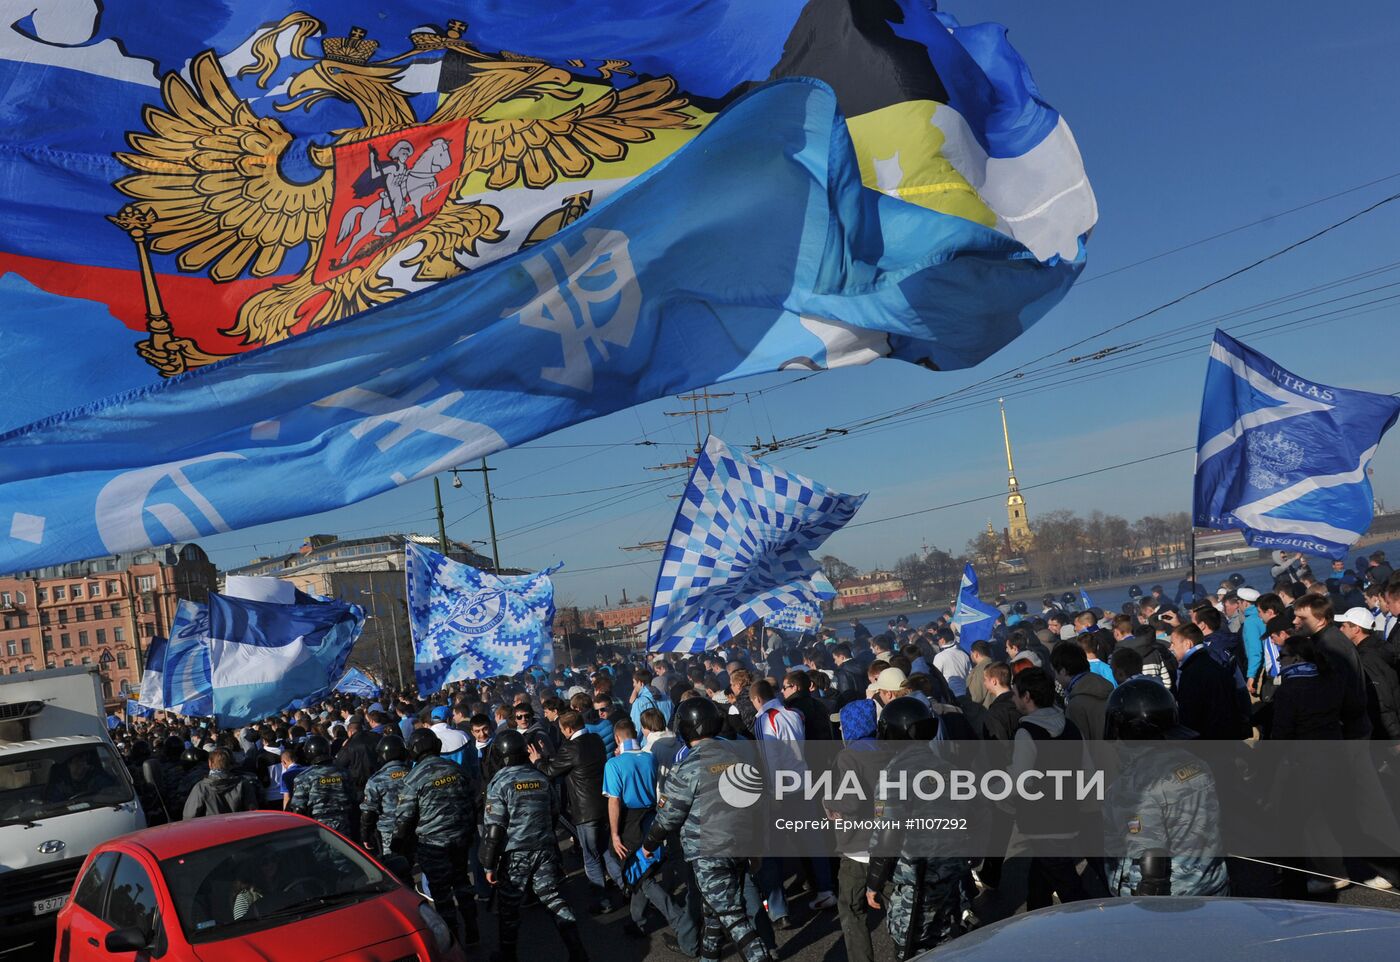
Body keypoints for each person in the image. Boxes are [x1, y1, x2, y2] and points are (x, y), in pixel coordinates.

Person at [641, 699, 775, 962]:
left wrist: (649, 844)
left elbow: (669, 816)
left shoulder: (688, 766)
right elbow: (758, 807)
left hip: (708, 852)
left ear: (685, 728)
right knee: (713, 917)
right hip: (740, 847)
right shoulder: (737, 758)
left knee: (734, 919)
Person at [1102, 679, 1229, 896]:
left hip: (1168, 902)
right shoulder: (1197, 764)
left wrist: (1149, 916)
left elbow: (1150, 864)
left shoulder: (1133, 786)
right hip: (1211, 886)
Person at [864, 697, 968, 959]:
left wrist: (873, 882)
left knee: (911, 948)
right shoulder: (949, 769)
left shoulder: (893, 776)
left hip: (916, 879)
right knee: (945, 943)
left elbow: (887, 833)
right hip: (949, 874)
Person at [480, 729, 589, 962]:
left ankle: (507, 956)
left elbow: (494, 829)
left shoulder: (499, 784)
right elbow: (554, 812)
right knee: (553, 899)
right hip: (545, 850)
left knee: (508, 910)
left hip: (515, 856)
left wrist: (488, 864)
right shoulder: (540, 778)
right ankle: (578, 953)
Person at [601, 718, 699, 950]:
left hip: (629, 823)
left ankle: (679, 920)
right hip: (650, 817)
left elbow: (614, 801)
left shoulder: (613, 764)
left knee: (641, 878)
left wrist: (614, 834)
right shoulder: (648, 757)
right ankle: (638, 922)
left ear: (617, 738)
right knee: (641, 871)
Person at [393, 728, 480, 945]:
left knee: (441, 893)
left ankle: (454, 939)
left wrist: (397, 845)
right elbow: (473, 799)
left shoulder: (413, 778)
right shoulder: (456, 768)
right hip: (461, 838)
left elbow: (405, 817)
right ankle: (473, 931)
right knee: (462, 883)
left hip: (433, 845)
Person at [530, 710, 614, 914]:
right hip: (603, 805)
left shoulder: (571, 748)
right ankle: (628, 886)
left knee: (591, 856)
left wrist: (538, 760)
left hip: (586, 811)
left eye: (561, 729)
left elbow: (551, 771)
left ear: (568, 729)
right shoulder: (595, 740)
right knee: (606, 852)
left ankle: (602, 901)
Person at [1168, 625, 1247, 740]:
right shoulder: (1214, 661)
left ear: (1187, 644)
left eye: (1173, 643)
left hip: (1206, 740)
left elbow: (1190, 713)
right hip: (1227, 735)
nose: (1171, 648)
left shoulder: (1192, 671)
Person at [1335, 607, 1400, 741]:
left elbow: (1382, 698)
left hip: (1381, 732)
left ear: (1356, 629)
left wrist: (1393, 736)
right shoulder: (1377, 648)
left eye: (1344, 626)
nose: (1340, 630)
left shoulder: (1367, 658)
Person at [288, 734, 357, 839]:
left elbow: (298, 808)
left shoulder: (304, 778)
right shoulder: (344, 773)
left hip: (318, 827)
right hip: (344, 824)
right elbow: (354, 799)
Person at [1050, 643, 1113, 742]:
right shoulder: (1107, 688)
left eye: (1055, 672)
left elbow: (1079, 748)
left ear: (1063, 671)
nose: (1056, 678)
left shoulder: (1076, 705)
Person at [359, 735, 410, 856]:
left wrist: (365, 836)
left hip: (389, 833)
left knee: (393, 868)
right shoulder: (414, 773)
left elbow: (368, 812)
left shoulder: (377, 780)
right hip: (413, 830)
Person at [182, 748, 259, 819]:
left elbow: (189, 816)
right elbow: (252, 811)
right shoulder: (243, 784)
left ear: (210, 763)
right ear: (230, 764)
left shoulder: (201, 787)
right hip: (238, 829)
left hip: (212, 830)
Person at [979, 663, 1020, 742]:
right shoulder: (1021, 703)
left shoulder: (994, 712)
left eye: (985, 680)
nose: (984, 683)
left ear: (994, 681)